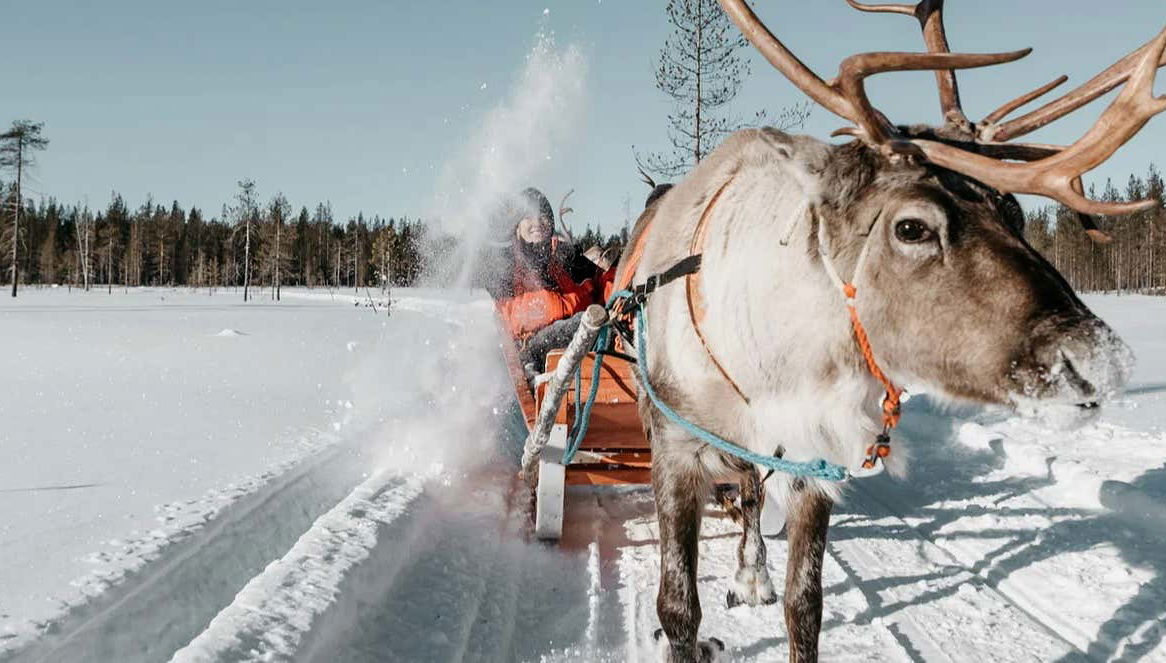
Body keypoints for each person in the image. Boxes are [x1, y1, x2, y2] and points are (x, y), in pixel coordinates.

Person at [483, 188, 610, 377]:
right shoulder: (506, 264)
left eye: (542, 215)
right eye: (528, 216)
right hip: (536, 349)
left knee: (608, 326)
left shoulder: (567, 257)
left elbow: (605, 284)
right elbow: (505, 311)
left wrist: (623, 279)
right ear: (516, 227)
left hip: (588, 341)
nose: (537, 222)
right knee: (584, 323)